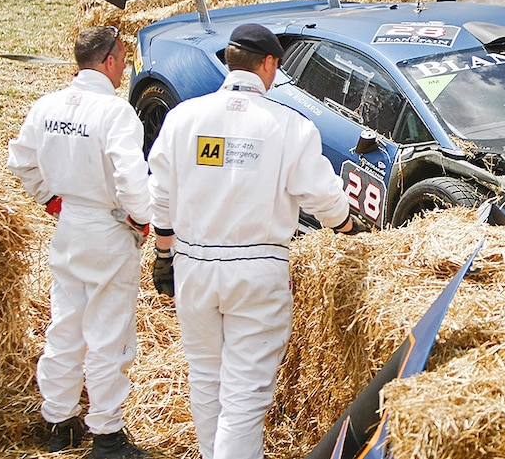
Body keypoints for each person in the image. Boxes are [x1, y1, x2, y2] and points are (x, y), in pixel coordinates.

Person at [147, 24, 366, 459]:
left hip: (192, 263)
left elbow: (160, 191)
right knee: (245, 397)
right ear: (268, 64)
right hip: (256, 269)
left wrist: (163, 252)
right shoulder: (289, 126)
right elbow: (321, 195)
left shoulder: (183, 118)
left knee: (207, 378)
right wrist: (347, 226)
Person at [7, 26, 152, 459]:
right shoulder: (115, 113)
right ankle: (106, 434)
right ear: (109, 60)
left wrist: (50, 199)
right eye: (124, 57)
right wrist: (143, 219)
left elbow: (20, 160)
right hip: (108, 229)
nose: (126, 66)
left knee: (65, 326)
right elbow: (131, 178)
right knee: (109, 335)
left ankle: (60, 423)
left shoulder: (47, 105)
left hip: (69, 225)